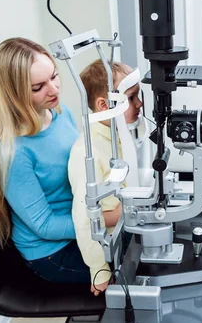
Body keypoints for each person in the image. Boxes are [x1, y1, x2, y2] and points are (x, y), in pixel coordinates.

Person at [0, 38, 90, 285]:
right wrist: (101, 223)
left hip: (82, 226)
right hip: (52, 252)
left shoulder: (60, 113)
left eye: (54, 76)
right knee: (136, 271)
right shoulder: (12, 151)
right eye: (38, 87)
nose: (53, 90)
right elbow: (45, 225)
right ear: (13, 94)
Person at [67, 59, 144, 296]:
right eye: (131, 98)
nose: (140, 103)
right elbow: (84, 219)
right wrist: (99, 270)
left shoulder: (118, 134)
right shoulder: (86, 153)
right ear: (104, 105)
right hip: (110, 245)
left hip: (127, 226)